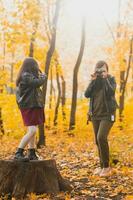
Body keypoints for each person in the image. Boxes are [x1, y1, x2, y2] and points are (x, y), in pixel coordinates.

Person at [84, 60, 118, 177]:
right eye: (99, 69)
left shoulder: (111, 79)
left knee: (101, 137)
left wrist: (105, 79)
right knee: (97, 141)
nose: (101, 72)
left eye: (104, 69)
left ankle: (107, 167)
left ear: (107, 70)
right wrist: (93, 81)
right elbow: (86, 94)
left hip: (108, 114)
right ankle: (102, 166)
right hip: (95, 115)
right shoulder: (94, 81)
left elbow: (111, 92)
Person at [14, 57, 47, 161]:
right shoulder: (26, 76)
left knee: (32, 130)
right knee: (32, 130)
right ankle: (18, 152)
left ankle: (32, 153)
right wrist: (43, 76)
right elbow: (37, 83)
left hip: (33, 105)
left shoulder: (29, 76)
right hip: (28, 106)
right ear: (32, 66)